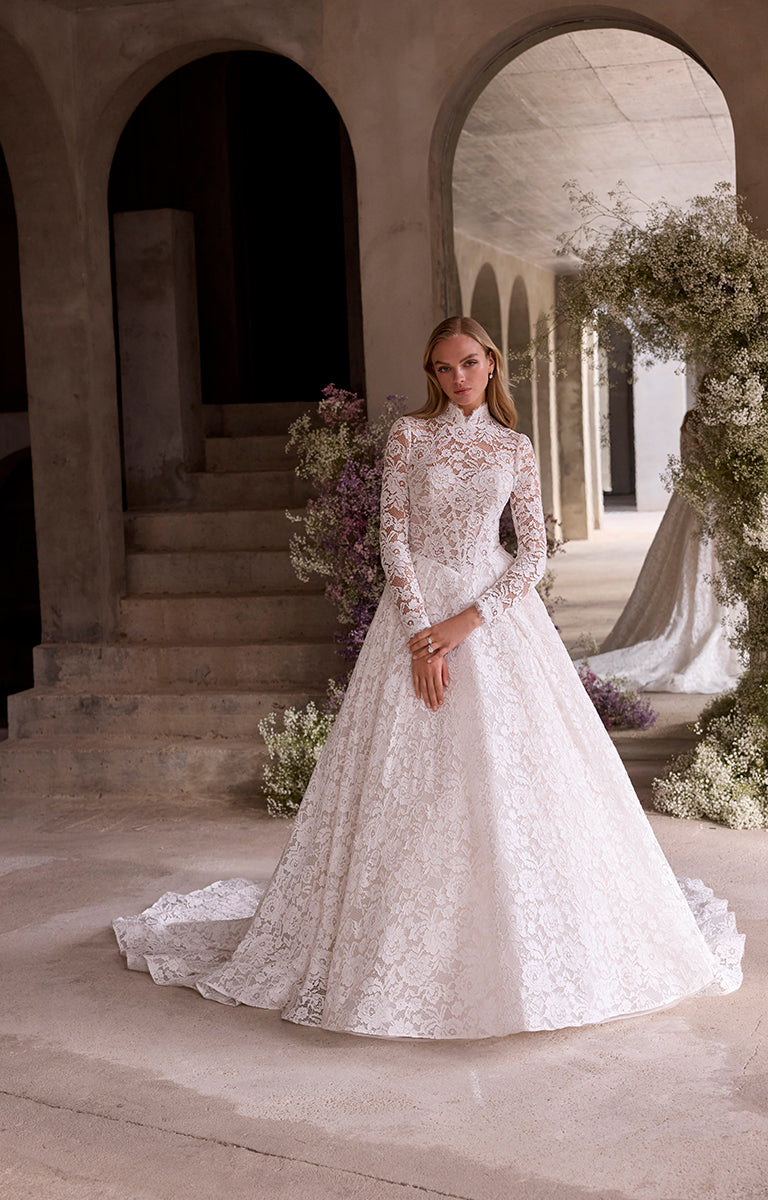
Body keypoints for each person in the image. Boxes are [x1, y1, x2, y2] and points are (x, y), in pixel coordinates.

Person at [114, 317, 743, 1039]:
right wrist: (422, 637)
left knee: (518, 782)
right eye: (443, 370)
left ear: (491, 364)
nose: (458, 379)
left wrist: (465, 624)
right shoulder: (411, 437)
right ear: (432, 374)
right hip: (414, 618)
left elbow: (532, 555)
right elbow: (395, 541)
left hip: (493, 620)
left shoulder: (516, 447)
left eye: (469, 364)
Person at [583, 408, 743, 693]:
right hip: (712, 500)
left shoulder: (694, 418)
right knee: (703, 564)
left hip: (694, 499)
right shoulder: (726, 417)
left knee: (699, 565)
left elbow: (688, 463)